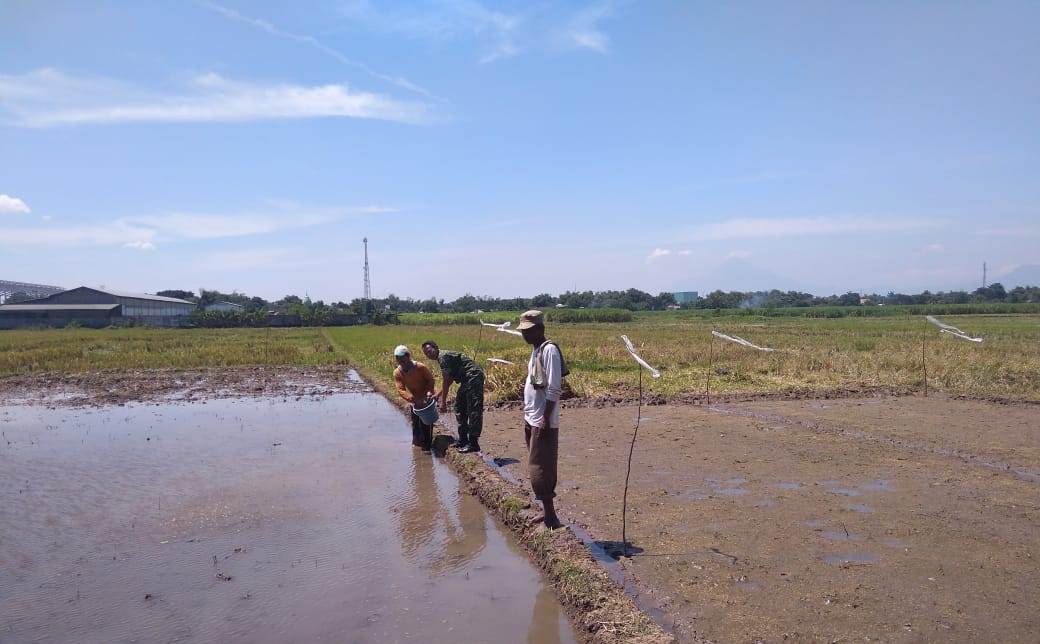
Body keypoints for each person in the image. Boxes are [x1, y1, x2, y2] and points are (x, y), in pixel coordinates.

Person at [518, 310, 567, 530]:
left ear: (540, 329)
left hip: (542, 419)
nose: (524, 336)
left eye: (528, 332)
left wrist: (544, 419)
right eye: (522, 332)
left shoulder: (550, 351)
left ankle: (551, 518)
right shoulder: (536, 350)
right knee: (535, 466)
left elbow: (554, 388)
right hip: (532, 417)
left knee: (541, 469)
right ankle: (546, 513)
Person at [421, 340, 485, 453]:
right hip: (466, 380)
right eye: (426, 353)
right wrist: (439, 394)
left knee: (473, 409)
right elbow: (449, 380)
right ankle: (463, 440)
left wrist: (443, 402)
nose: (429, 354)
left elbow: (446, 380)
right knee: (459, 407)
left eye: (430, 351)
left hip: (473, 377)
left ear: (436, 348)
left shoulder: (443, 357)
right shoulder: (442, 358)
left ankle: (473, 443)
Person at [393, 344, 437, 453]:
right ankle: (416, 446)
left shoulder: (420, 367)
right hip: (414, 399)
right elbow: (401, 389)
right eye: (399, 361)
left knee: (426, 423)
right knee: (415, 423)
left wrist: (427, 393)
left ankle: (427, 448)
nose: (402, 363)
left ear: (408, 356)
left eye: (403, 360)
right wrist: (412, 399)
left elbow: (430, 380)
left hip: (426, 397)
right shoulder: (398, 372)